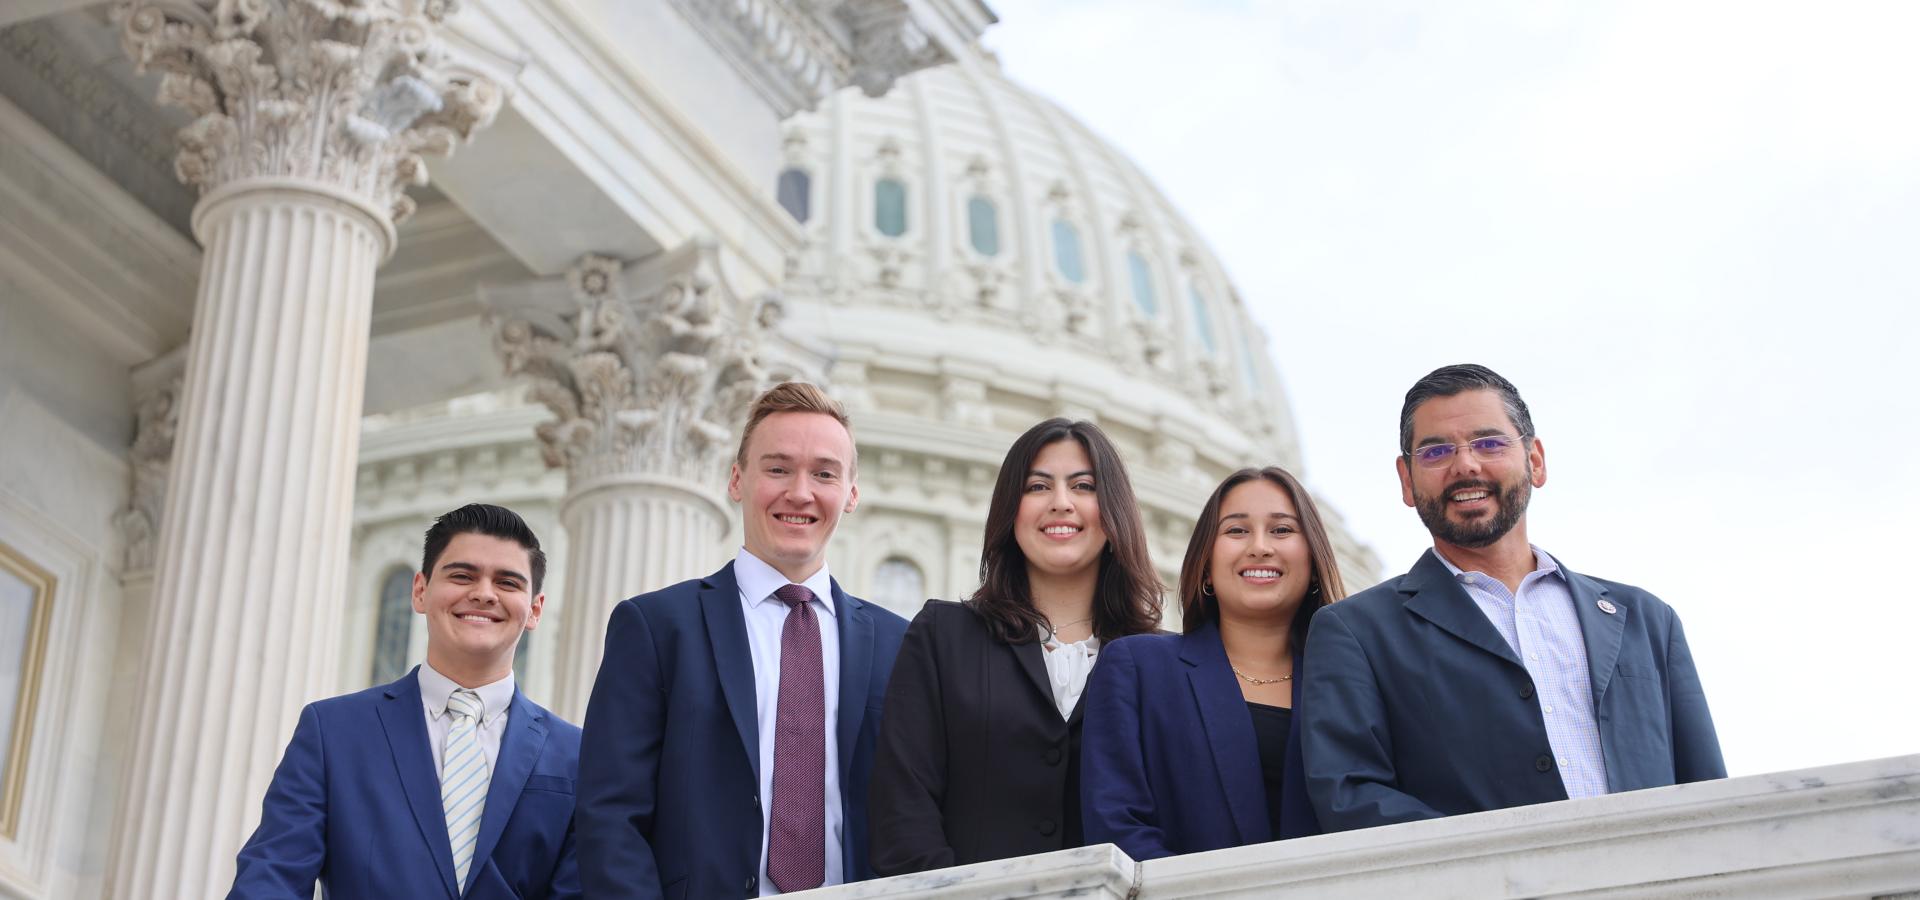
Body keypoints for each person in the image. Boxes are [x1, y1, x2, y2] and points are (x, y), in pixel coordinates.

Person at [1301, 363, 1725, 833]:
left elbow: (1708, 792)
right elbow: (1351, 797)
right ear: (1406, 480)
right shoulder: (1357, 631)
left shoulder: (1646, 619)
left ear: (1535, 461)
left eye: (1489, 443)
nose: (1465, 465)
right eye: (1437, 451)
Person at [577, 382, 910, 899]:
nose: (800, 492)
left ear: (851, 495)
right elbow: (610, 815)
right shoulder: (657, 627)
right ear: (736, 480)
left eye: (824, 474)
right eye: (777, 469)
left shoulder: (899, 645)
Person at [229, 504, 579, 899]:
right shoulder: (333, 732)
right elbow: (272, 876)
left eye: (507, 583)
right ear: (420, 591)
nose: (483, 594)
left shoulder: (576, 756)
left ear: (534, 610)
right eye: (462, 576)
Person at [867, 419, 1163, 874]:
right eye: (1037, 486)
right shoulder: (944, 635)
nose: (1061, 503)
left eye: (1083, 486)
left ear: (1114, 512)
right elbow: (904, 808)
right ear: (1011, 509)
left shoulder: (1161, 662)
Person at [1081, 466, 1343, 860]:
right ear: (1205, 564)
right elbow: (1117, 827)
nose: (1260, 546)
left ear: (1312, 561)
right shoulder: (1139, 669)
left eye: (1282, 530)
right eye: (1236, 530)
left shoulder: (1348, 683)